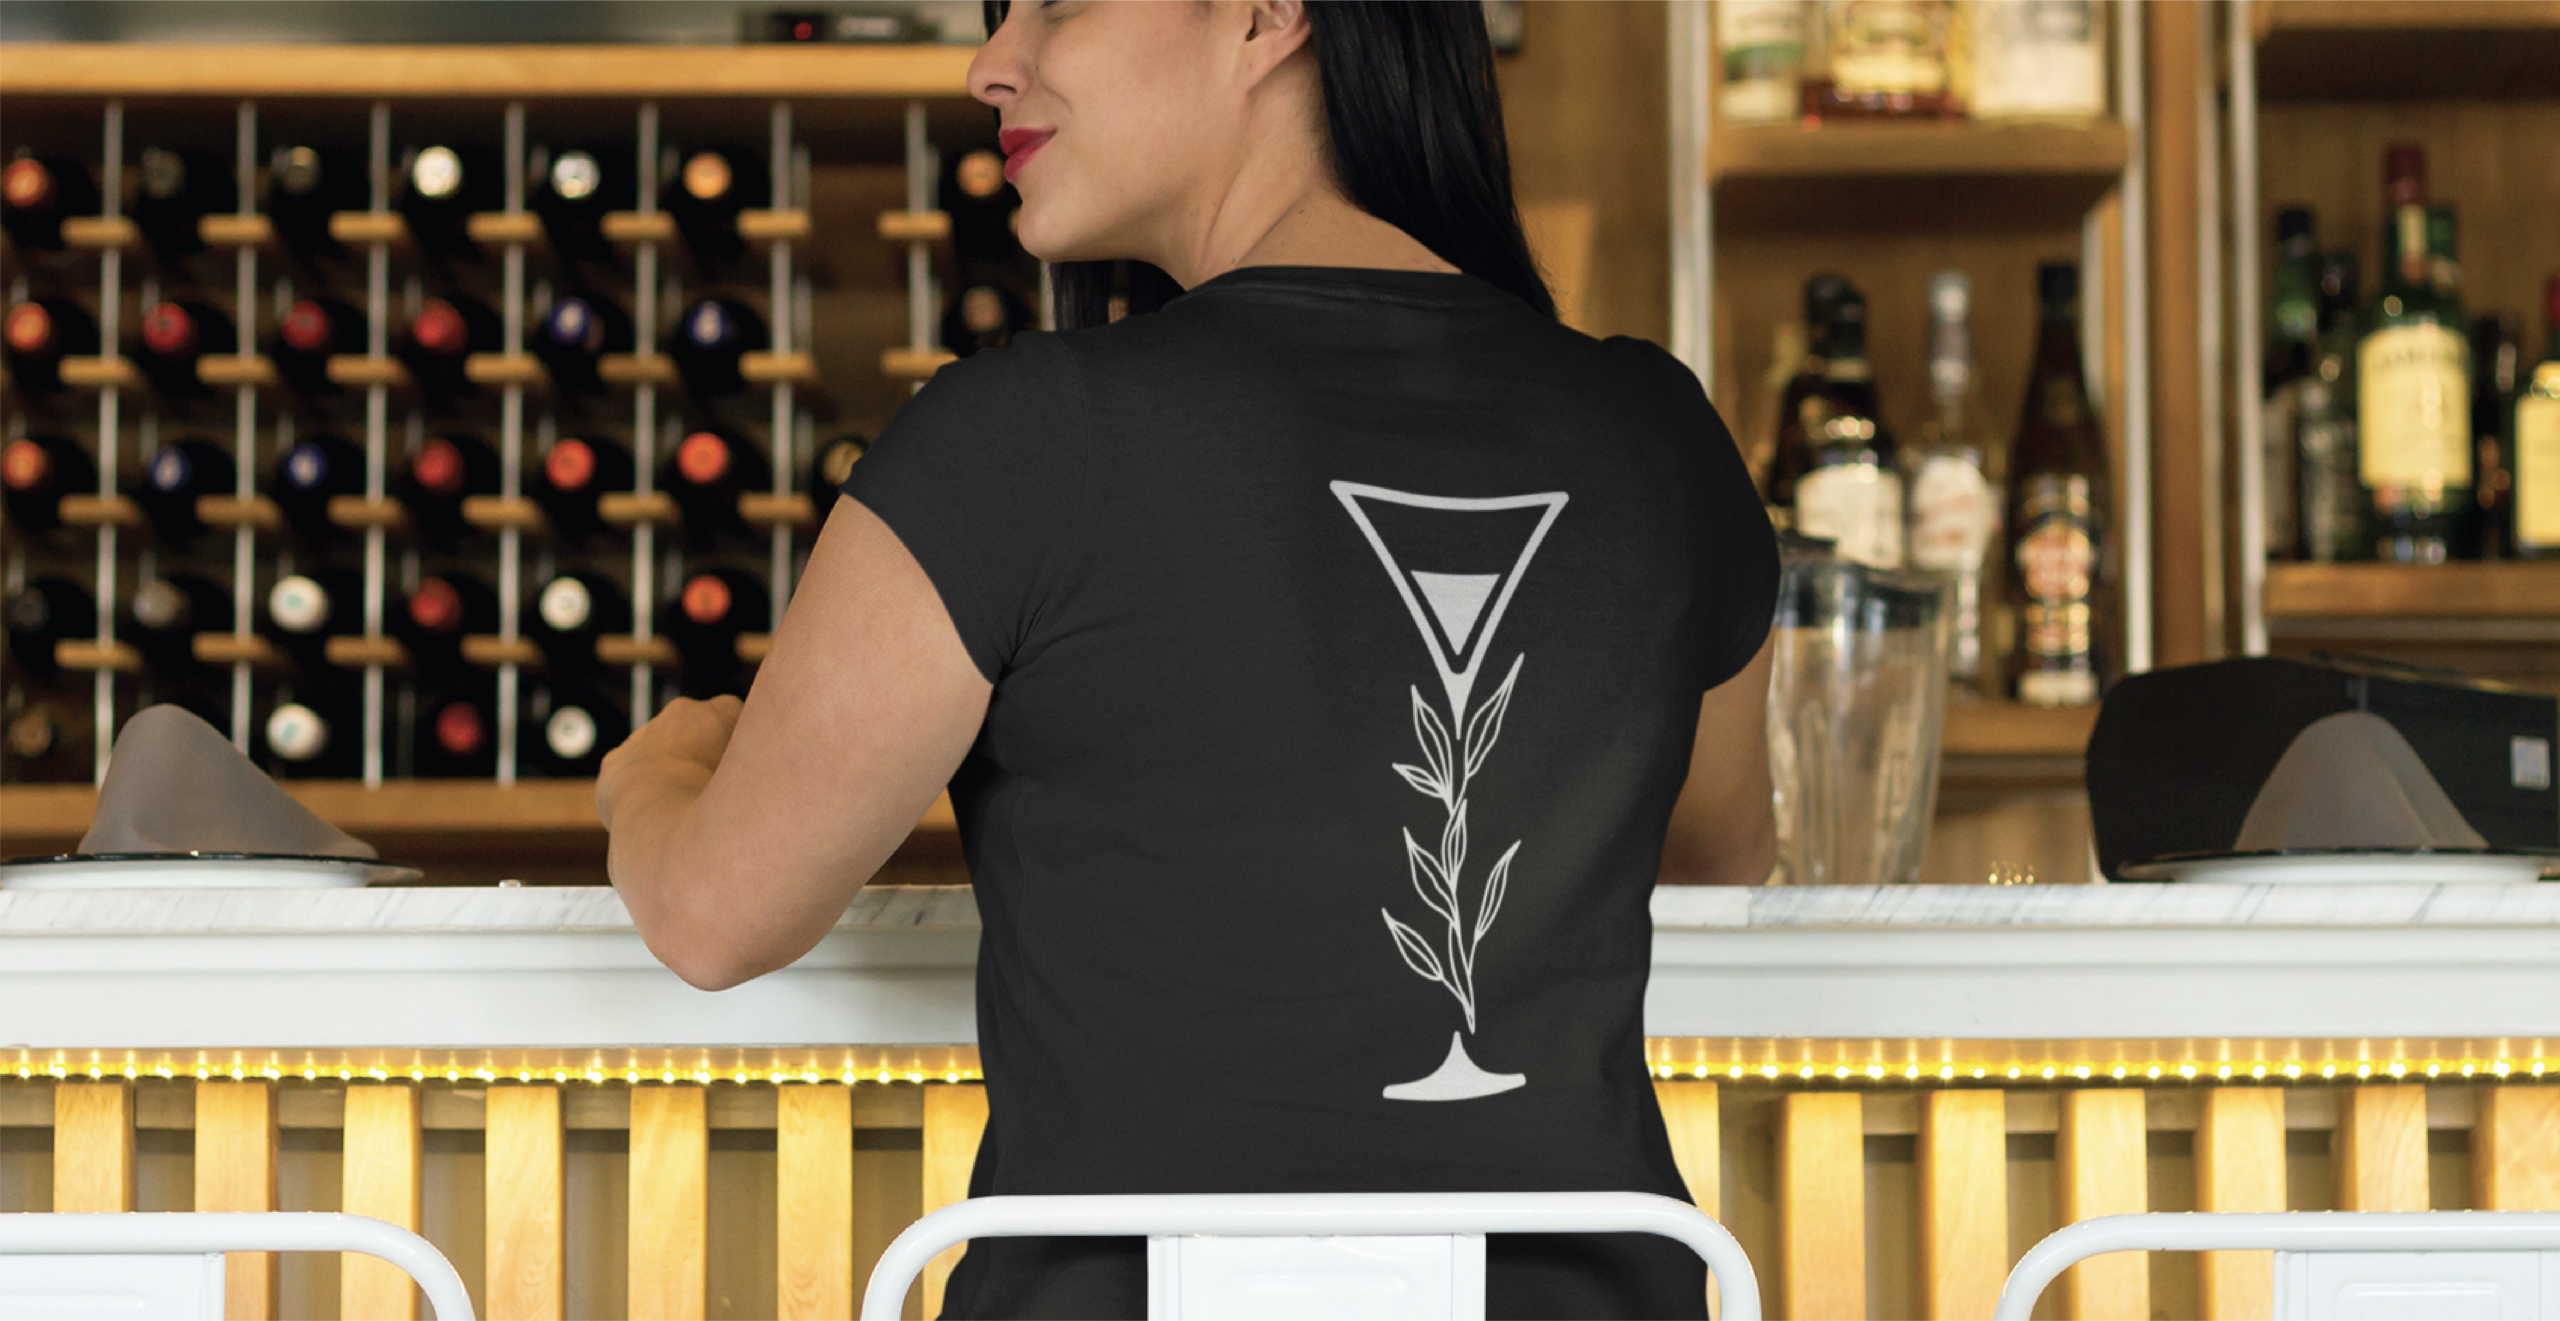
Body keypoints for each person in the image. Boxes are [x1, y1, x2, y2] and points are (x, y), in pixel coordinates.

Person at [593, 0, 1780, 1315]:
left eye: (1057, 2)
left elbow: (714, 915)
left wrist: (657, 771)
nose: (991, 67)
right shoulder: (1660, 432)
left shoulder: (1021, 439)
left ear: (1269, 15)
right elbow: (1714, 854)